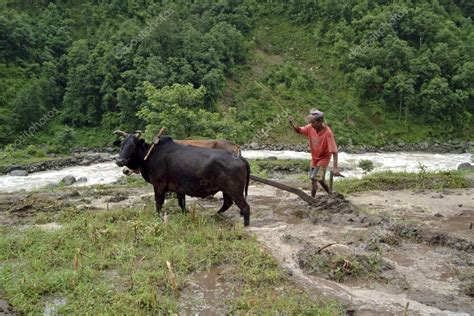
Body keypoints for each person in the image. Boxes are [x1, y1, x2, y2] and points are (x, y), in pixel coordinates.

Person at [288, 109, 341, 198]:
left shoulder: (328, 133)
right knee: (316, 181)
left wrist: (335, 168)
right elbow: (298, 130)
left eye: (313, 122)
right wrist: (292, 123)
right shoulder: (310, 127)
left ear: (320, 121)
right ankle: (314, 198)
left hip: (324, 158)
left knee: (315, 177)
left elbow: (335, 151)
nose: (311, 125)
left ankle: (330, 194)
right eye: (311, 122)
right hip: (315, 158)